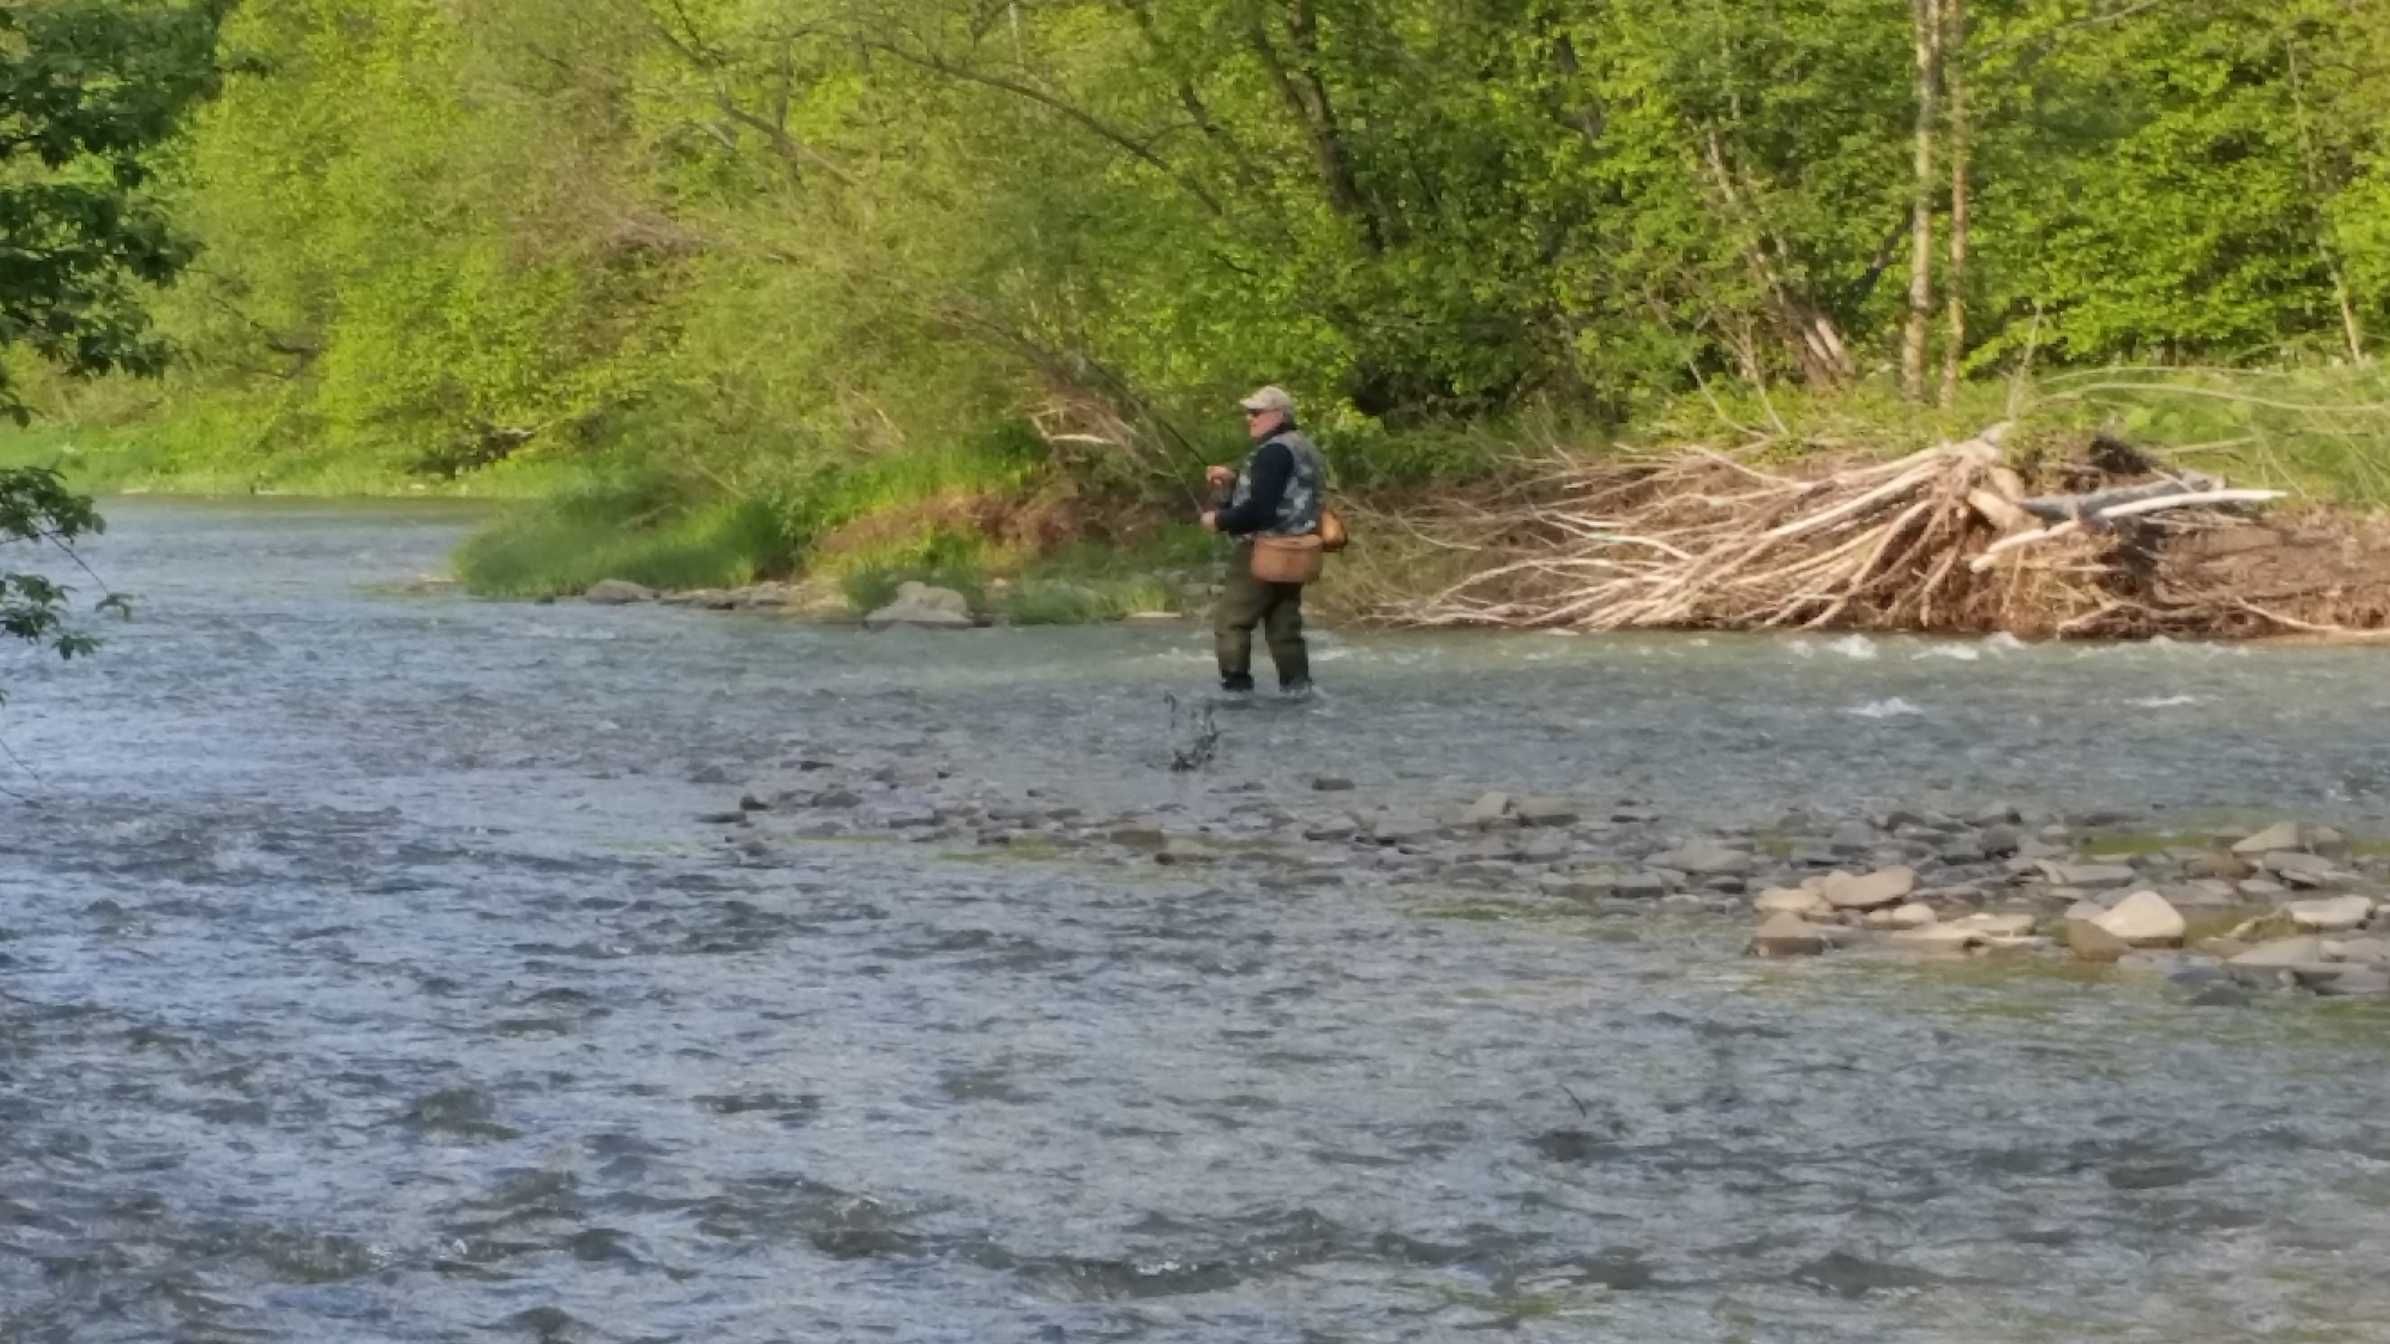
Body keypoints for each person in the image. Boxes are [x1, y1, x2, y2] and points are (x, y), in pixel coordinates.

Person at [1200, 384, 1326, 699]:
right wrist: (1234, 481)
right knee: (1285, 628)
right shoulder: (1301, 447)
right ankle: (1298, 690)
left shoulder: (1272, 452)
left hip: (1263, 552)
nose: (1249, 418)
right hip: (1297, 551)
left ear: (1279, 415)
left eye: (1256, 413)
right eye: (1248, 412)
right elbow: (1284, 493)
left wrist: (1219, 519)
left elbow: (1261, 511)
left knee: (1232, 622)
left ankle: (1236, 692)